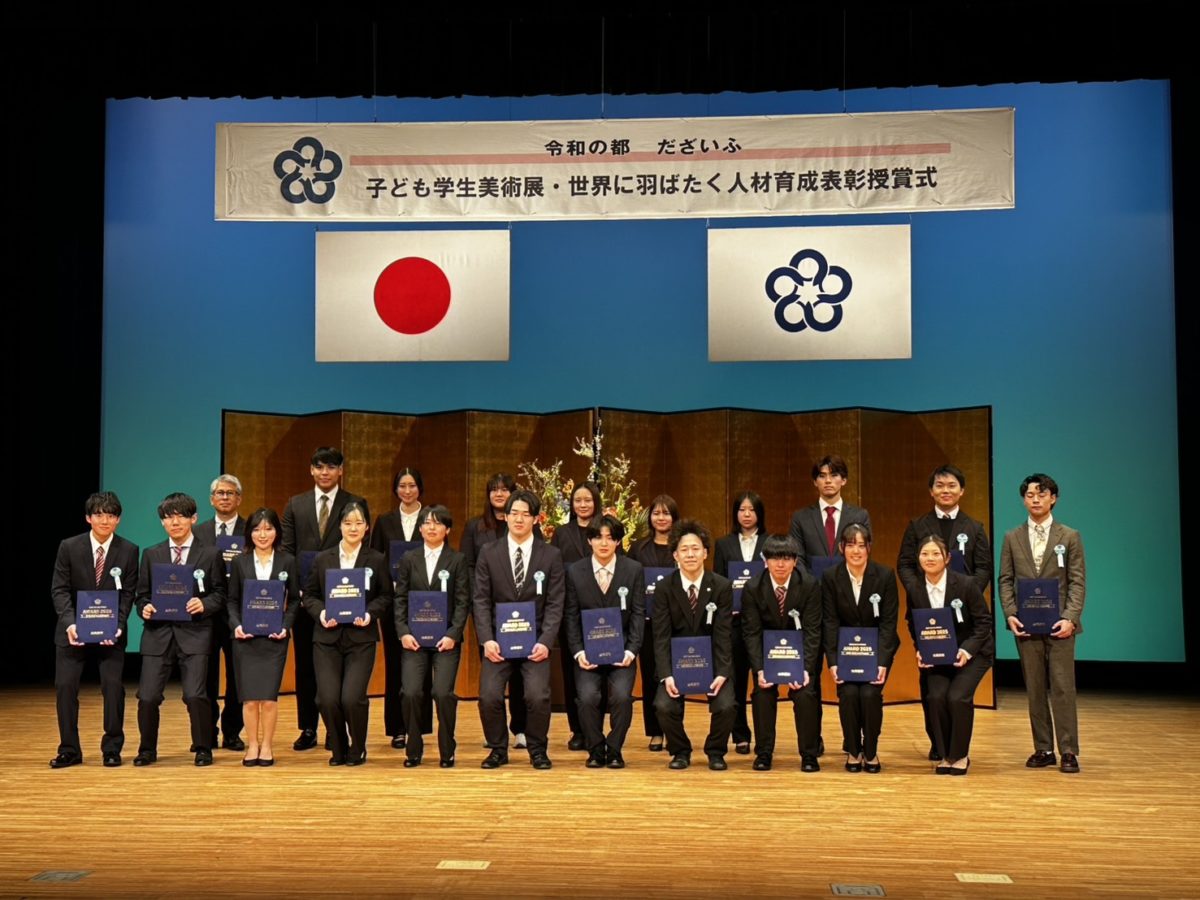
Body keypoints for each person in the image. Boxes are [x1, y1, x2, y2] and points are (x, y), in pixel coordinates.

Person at [896, 464, 992, 761]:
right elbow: (904, 564)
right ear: (931, 491)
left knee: (956, 694)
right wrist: (921, 591)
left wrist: (961, 594)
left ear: (962, 490)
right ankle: (938, 743)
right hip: (930, 621)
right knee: (932, 692)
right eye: (940, 485)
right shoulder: (917, 525)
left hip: (965, 622)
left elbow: (983, 568)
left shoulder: (974, 527)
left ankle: (956, 749)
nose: (945, 490)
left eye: (952, 485)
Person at [280, 447, 370, 752]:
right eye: (319, 467)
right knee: (305, 666)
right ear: (311, 470)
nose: (325, 472)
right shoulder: (296, 503)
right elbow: (287, 551)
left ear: (341, 470)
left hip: (346, 599)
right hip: (308, 600)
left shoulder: (355, 503)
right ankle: (308, 727)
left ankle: (336, 730)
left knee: (340, 669)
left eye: (331, 467)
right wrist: (298, 590)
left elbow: (363, 552)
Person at [998, 473, 1086, 774]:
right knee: (1034, 688)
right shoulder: (1012, 537)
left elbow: (1077, 581)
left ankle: (1069, 750)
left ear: (1053, 498)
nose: (1035, 499)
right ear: (1024, 500)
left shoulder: (1069, 536)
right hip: (1026, 625)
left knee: (1063, 687)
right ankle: (1044, 748)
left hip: (1061, 626)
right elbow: (1005, 579)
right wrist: (1010, 613)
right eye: (1030, 495)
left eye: (1042, 494)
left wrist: (1070, 617)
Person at [473, 490, 565, 770]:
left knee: (537, 695)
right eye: (514, 513)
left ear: (536, 519)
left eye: (526, 514)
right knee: (489, 696)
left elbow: (555, 602)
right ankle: (498, 749)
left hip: (535, 642)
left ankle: (537, 749)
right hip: (498, 643)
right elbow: (481, 600)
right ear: (506, 517)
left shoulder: (551, 555)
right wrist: (487, 640)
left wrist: (545, 641)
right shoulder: (489, 553)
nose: (519, 519)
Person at [134, 492, 226, 767]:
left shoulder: (210, 554)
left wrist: (204, 604)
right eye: (168, 517)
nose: (175, 522)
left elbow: (220, 594)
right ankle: (147, 750)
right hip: (158, 634)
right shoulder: (151, 554)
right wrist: (145, 608)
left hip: (196, 633)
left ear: (193, 519)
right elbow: (142, 596)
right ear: (162, 522)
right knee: (148, 696)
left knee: (195, 695)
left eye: (181, 516)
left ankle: (203, 747)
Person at [49, 491, 139, 768]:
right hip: (73, 632)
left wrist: (119, 625)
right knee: (65, 687)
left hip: (110, 634)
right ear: (88, 518)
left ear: (118, 520)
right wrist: (70, 623)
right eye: (99, 515)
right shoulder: (69, 547)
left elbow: (128, 593)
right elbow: (59, 589)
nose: (105, 520)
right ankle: (69, 749)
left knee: (113, 688)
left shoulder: (129, 550)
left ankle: (112, 748)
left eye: (111, 515)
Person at [789, 454, 871, 754]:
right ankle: (812, 741)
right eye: (822, 475)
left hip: (847, 608)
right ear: (815, 481)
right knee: (808, 680)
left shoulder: (859, 514)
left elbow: (862, 556)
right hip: (810, 607)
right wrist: (815, 589)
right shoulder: (801, 517)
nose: (828, 480)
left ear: (844, 480)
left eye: (834, 475)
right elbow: (796, 560)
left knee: (850, 679)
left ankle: (853, 740)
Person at [303, 502, 391, 766]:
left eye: (359, 523)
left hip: (361, 639)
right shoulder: (323, 559)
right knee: (327, 699)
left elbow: (386, 596)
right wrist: (321, 613)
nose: (353, 528)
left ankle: (358, 746)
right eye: (348, 523)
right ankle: (338, 746)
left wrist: (369, 614)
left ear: (367, 527)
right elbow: (309, 595)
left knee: (352, 698)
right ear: (339, 526)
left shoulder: (376, 559)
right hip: (326, 639)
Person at [652, 519, 735, 771]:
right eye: (684, 549)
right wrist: (666, 674)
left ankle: (715, 751)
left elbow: (723, 635)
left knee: (727, 705)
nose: (690, 554)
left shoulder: (721, 586)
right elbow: (660, 636)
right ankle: (680, 750)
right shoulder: (664, 588)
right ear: (675, 555)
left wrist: (722, 672)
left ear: (705, 553)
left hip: (713, 663)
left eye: (695, 548)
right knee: (663, 706)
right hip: (676, 665)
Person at [907, 534, 993, 775]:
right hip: (937, 656)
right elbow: (912, 623)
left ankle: (960, 755)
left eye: (936, 554)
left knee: (957, 697)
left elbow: (984, 623)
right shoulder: (915, 588)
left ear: (947, 558)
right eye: (925, 554)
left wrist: (966, 650)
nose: (930, 558)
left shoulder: (965, 584)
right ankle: (946, 754)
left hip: (973, 653)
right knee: (935, 697)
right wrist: (920, 649)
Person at [564, 515, 645, 768]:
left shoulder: (633, 569)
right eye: (598, 537)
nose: (604, 543)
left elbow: (638, 613)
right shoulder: (575, 571)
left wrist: (631, 651)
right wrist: (578, 652)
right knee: (587, 697)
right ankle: (596, 748)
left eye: (610, 538)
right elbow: (570, 616)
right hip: (588, 654)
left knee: (622, 697)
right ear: (589, 540)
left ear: (618, 542)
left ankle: (615, 748)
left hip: (622, 653)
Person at [393, 504, 471, 768]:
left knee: (442, 693)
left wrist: (453, 634)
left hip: (446, 641)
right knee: (410, 692)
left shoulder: (457, 560)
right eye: (427, 522)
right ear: (420, 528)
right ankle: (413, 749)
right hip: (413, 641)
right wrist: (403, 632)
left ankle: (447, 749)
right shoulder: (409, 559)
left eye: (438, 523)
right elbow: (400, 598)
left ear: (447, 530)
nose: (431, 527)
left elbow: (463, 601)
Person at [822, 524, 899, 774]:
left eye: (861, 545)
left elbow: (888, 623)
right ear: (842, 548)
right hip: (844, 654)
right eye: (850, 545)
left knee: (869, 695)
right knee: (848, 695)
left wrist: (882, 661)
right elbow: (830, 621)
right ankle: (854, 750)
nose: (856, 551)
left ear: (869, 548)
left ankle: (871, 750)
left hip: (876, 653)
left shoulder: (885, 575)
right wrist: (833, 661)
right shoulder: (831, 577)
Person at [460, 473, 529, 751]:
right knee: (492, 674)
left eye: (504, 490)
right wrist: (477, 599)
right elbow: (467, 566)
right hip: (488, 611)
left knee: (521, 675)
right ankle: (494, 732)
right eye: (494, 490)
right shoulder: (475, 527)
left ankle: (520, 729)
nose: (499, 494)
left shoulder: (522, 524)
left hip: (522, 613)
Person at [740, 534, 821, 772]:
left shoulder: (809, 585)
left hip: (799, 657)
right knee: (762, 693)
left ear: (795, 561)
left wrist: (805, 669)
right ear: (765, 561)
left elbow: (813, 631)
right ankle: (764, 753)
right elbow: (751, 633)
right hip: (767, 657)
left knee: (806, 694)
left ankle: (809, 754)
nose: (781, 564)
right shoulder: (753, 587)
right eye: (775, 558)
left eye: (786, 558)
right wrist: (759, 669)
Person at [227, 507, 299, 767]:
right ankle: (252, 745)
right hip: (245, 639)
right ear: (249, 533)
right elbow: (232, 600)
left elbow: (295, 600)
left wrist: (285, 626)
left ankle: (267, 745)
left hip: (274, 638)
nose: (263, 534)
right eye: (257, 529)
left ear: (276, 532)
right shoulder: (240, 562)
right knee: (249, 699)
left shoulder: (287, 561)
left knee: (268, 699)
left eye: (268, 528)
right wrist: (236, 625)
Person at [370, 467, 433, 752]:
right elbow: (375, 559)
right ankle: (397, 728)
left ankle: (419, 726)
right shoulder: (385, 521)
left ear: (420, 488)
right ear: (395, 489)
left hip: (426, 604)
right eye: (402, 486)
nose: (407, 491)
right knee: (395, 664)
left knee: (423, 665)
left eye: (412, 485)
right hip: (393, 603)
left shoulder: (431, 518)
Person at [192, 474, 247, 752]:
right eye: (220, 493)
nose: (225, 497)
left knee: (238, 676)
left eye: (230, 493)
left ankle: (232, 732)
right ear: (211, 499)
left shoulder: (252, 530)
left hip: (240, 613)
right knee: (206, 676)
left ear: (239, 499)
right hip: (206, 614)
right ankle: (207, 732)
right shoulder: (198, 532)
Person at [712, 491, 767, 756]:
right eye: (742, 509)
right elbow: (718, 582)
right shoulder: (724, 544)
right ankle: (740, 734)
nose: (746, 514)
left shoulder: (769, 543)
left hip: (762, 624)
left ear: (759, 513)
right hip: (732, 624)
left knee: (762, 682)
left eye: (751, 510)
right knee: (735, 681)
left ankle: (764, 737)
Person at [550, 480, 601, 752]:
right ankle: (577, 730)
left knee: (600, 670)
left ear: (596, 502)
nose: (583, 505)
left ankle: (596, 727)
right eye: (578, 500)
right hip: (570, 611)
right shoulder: (561, 533)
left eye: (588, 500)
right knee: (572, 672)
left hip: (600, 612)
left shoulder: (605, 530)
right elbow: (554, 570)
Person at [628, 493, 678, 751]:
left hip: (676, 623)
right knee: (650, 676)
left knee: (674, 676)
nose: (661, 518)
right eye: (656, 513)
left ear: (674, 517)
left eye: (666, 513)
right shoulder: (638, 548)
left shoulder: (682, 546)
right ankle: (655, 732)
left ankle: (673, 730)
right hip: (647, 624)